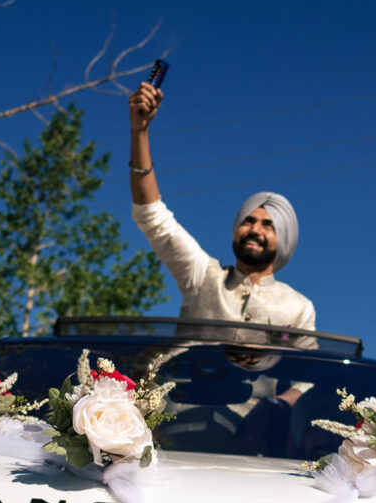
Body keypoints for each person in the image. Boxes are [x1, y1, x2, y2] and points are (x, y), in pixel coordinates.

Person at [127, 81, 317, 331]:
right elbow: (153, 216)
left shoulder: (299, 308)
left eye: (268, 225)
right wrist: (139, 131)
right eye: (248, 221)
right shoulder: (202, 276)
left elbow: (302, 369)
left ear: (284, 240)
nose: (255, 230)